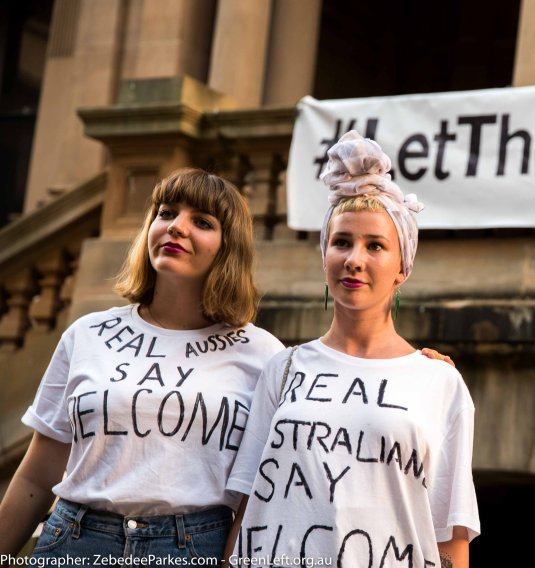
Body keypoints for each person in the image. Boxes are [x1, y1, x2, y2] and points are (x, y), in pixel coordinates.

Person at [0, 169, 285, 563]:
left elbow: (258, 496)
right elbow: (36, 475)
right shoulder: (87, 334)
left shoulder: (262, 353)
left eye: (202, 222)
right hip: (75, 544)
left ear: (228, 247)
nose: (177, 228)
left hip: (193, 548)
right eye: (166, 213)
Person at [225, 131, 480, 568]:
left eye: (375, 245)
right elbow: (249, 504)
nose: (354, 259)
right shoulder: (283, 368)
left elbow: (450, 536)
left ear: (403, 266)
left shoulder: (439, 381)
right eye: (342, 242)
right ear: (325, 255)